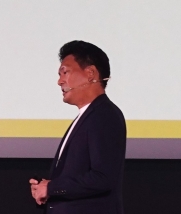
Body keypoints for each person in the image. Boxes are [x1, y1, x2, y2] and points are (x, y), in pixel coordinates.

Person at [30, 41, 125, 214]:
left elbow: (103, 178)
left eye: (65, 72)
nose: (60, 81)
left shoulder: (103, 115)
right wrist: (46, 189)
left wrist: (52, 188)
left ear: (90, 74)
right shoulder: (88, 115)